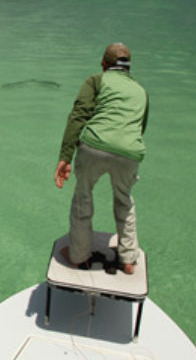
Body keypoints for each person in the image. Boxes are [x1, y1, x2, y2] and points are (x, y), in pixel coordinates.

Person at [54, 43, 149, 275]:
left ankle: (78, 256)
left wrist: (65, 156)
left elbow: (79, 115)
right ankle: (127, 259)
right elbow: (140, 127)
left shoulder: (96, 80)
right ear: (128, 68)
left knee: (83, 196)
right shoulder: (141, 90)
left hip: (94, 146)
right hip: (130, 152)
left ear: (104, 64)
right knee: (124, 200)